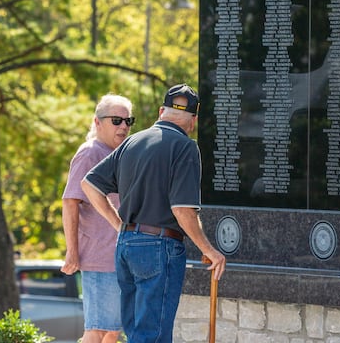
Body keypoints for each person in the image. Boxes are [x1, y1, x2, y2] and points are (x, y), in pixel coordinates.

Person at [81, 84, 226, 343]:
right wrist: (209, 250)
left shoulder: (131, 142)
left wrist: (119, 225)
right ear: (193, 120)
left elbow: (89, 185)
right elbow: (182, 209)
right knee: (153, 336)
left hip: (126, 245)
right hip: (159, 248)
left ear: (161, 111)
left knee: (137, 333)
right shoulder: (185, 147)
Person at [61, 94, 133, 343]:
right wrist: (72, 251)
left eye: (128, 120)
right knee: (97, 330)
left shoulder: (120, 154)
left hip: (119, 256)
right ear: (97, 122)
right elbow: (70, 202)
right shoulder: (90, 153)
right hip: (99, 258)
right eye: (116, 120)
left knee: (111, 331)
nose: (123, 126)